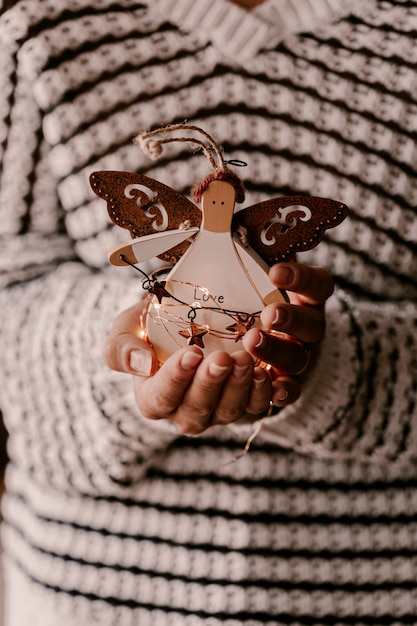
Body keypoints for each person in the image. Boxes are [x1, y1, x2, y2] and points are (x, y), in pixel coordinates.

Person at [0, 0, 416, 624]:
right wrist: (129, 360)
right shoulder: (43, 31)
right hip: (91, 597)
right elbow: (11, 296)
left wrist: (334, 368)